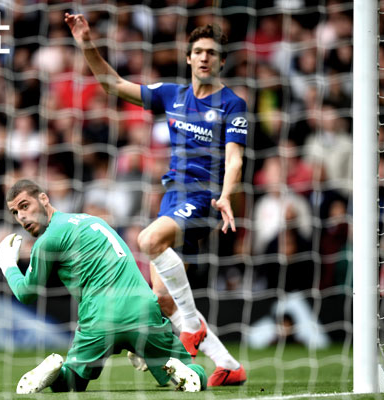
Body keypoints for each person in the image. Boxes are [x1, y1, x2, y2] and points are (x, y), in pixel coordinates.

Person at [65, 13, 247, 386]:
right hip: (172, 197)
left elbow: (235, 158)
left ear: (222, 61)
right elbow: (113, 84)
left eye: (212, 53)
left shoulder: (232, 104)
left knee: (147, 239)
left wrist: (228, 194)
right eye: (198, 52)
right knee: (161, 300)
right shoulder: (171, 95)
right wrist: (86, 42)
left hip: (205, 196)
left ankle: (191, 326)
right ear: (188, 57)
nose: (204, 58)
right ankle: (228, 365)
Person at [0, 179, 207, 393]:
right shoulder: (91, 220)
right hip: (143, 309)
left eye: (24, 206)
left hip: (99, 317)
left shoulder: (47, 240)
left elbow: (26, 293)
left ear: (43, 198)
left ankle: (58, 373)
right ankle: (181, 370)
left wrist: (8, 265)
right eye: (15, 212)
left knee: (72, 383)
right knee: (192, 372)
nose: (21, 216)